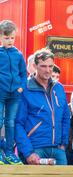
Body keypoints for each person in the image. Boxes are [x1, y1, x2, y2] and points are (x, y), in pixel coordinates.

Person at [15, 48, 70, 177]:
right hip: (35, 146)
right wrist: (27, 151)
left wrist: (63, 143)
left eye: (50, 66)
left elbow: (64, 116)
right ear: (35, 66)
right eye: (43, 66)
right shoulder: (25, 89)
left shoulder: (58, 88)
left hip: (57, 147)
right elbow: (18, 123)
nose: (47, 70)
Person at [0, 20, 27, 165]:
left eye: (12, 38)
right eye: (6, 38)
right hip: (1, 93)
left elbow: (24, 73)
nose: (10, 41)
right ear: (0, 37)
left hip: (14, 94)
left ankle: (10, 153)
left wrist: (21, 87)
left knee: (10, 123)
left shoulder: (18, 54)